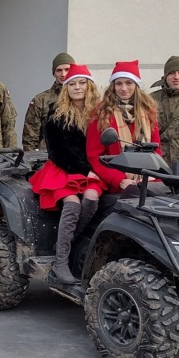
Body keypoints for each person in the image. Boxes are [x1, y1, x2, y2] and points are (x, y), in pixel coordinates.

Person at [27, 64, 106, 284]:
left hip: (92, 171)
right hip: (63, 169)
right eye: (72, 84)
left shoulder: (98, 112)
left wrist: (95, 171)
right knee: (72, 204)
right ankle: (60, 261)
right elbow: (57, 150)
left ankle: (71, 244)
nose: (77, 87)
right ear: (66, 87)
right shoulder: (56, 111)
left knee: (91, 200)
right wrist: (86, 170)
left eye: (81, 83)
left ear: (89, 86)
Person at [85, 60, 163, 196]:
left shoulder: (148, 111)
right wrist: (119, 180)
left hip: (147, 178)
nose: (124, 88)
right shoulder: (102, 112)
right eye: (119, 83)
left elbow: (156, 150)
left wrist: (152, 175)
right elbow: (95, 156)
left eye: (129, 83)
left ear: (136, 85)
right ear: (113, 86)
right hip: (117, 183)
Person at [22, 52, 75, 152]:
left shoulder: (83, 98)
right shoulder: (41, 100)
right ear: (54, 73)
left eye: (67, 69)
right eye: (59, 70)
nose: (63, 74)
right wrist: (32, 162)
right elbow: (30, 137)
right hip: (47, 157)